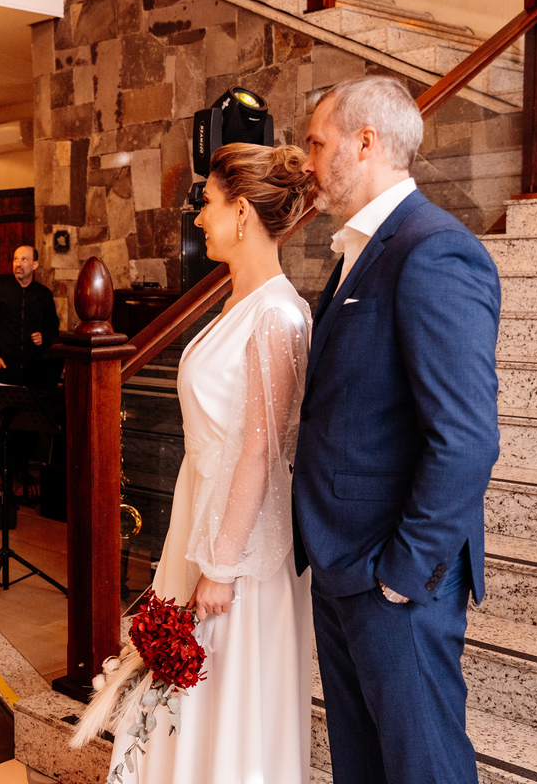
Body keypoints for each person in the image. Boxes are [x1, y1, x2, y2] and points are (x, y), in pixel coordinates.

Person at [292, 76, 500, 784]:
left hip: (394, 577)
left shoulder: (433, 249)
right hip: (343, 564)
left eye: (318, 144)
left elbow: (466, 438)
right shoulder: (359, 249)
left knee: (424, 771)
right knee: (364, 767)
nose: (309, 162)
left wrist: (404, 575)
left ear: (365, 143)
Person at [106, 145, 313, 783]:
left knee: (227, 693)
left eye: (208, 205)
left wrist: (219, 568)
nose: (199, 219)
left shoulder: (278, 313)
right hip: (200, 515)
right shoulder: (231, 303)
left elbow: (261, 447)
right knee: (185, 697)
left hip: (240, 545)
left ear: (242, 212)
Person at [0, 245, 59, 388]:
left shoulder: (43, 294)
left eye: (24, 259)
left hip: (34, 367)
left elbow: (53, 327)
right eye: (15, 259)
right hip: (4, 366)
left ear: (35, 264)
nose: (18, 264)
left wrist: (44, 336)